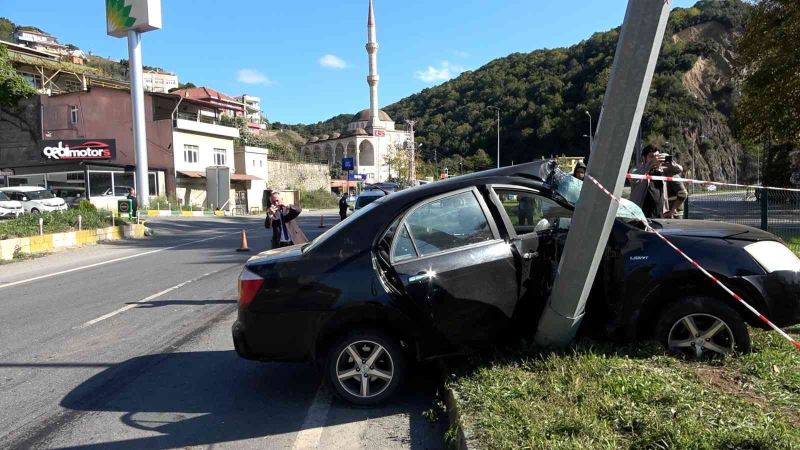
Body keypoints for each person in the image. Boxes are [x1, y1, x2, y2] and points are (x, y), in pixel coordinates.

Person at [630, 144, 669, 218]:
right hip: (641, 214)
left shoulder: (662, 169)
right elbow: (633, 178)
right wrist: (649, 165)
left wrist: (668, 159)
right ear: (644, 158)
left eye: (657, 157)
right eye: (651, 157)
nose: (655, 159)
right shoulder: (636, 169)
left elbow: (679, 169)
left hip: (659, 214)